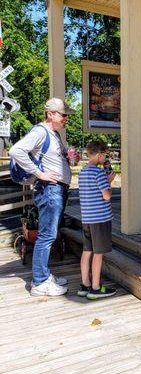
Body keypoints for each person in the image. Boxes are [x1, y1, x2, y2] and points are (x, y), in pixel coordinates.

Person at [9, 98, 79, 296]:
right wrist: (40, 174)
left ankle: (44, 275)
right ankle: (39, 283)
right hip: (49, 190)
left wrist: (69, 158)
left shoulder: (54, 134)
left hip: (56, 190)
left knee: (49, 234)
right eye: (64, 114)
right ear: (50, 114)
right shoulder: (40, 131)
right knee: (47, 235)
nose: (67, 118)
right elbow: (16, 150)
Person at [77, 141, 117, 299]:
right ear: (100, 155)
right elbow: (106, 196)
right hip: (100, 219)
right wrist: (109, 182)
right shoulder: (99, 173)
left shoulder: (83, 172)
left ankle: (85, 284)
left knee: (87, 251)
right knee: (98, 253)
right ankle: (95, 287)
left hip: (87, 218)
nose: (105, 159)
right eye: (105, 155)